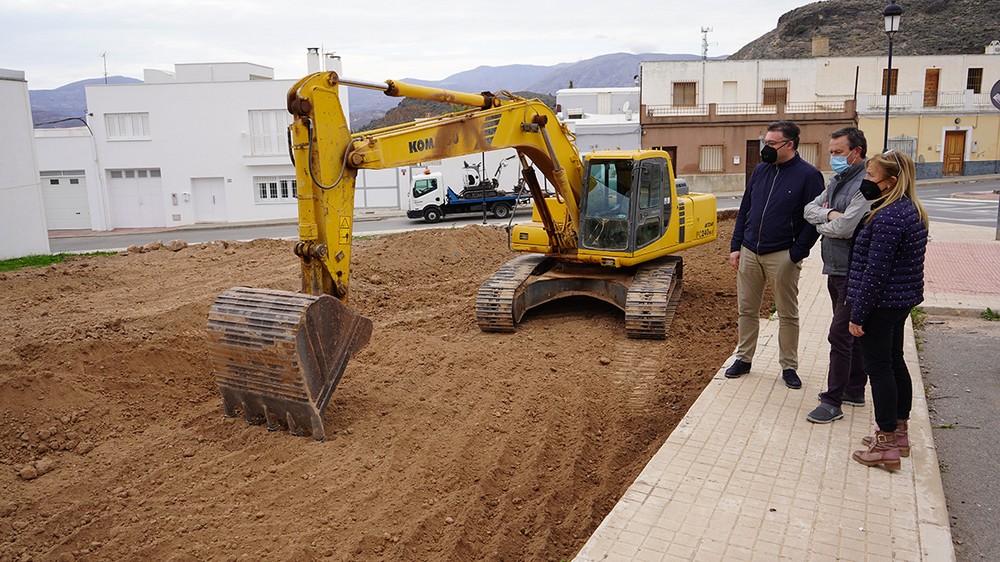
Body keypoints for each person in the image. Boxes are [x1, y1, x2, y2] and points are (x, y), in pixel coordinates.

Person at [726, 121, 825, 389]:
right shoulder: (760, 170)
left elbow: (813, 221)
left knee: (787, 313)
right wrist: (736, 246)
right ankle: (744, 359)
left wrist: (795, 253)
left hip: (782, 254)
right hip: (749, 251)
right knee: (746, 309)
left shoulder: (809, 176)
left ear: (789, 145)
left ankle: (789, 366)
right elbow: (745, 209)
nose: (765, 148)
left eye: (771, 143)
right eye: (765, 142)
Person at [846, 150, 929, 471]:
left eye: (870, 177)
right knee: (894, 362)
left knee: (879, 369)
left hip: (880, 304)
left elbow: (875, 272)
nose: (866, 181)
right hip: (899, 301)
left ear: (890, 181)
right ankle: (899, 435)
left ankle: (885, 444)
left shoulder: (889, 217)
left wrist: (858, 315)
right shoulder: (910, 210)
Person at [803, 127, 871, 423]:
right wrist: (829, 215)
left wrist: (826, 221)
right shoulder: (836, 181)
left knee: (840, 334)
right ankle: (854, 389)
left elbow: (846, 229)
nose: (833, 158)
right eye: (831, 152)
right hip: (835, 267)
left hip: (854, 270)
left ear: (856, 152)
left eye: (839, 152)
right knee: (849, 335)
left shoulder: (866, 185)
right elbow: (809, 208)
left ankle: (833, 401)